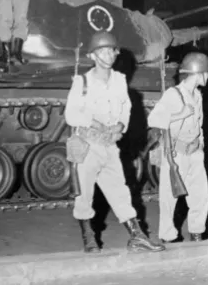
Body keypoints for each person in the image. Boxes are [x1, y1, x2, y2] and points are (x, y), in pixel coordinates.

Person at [64, 31, 165, 254]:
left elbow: (126, 108)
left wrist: (121, 125)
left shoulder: (119, 80)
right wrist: (93, 122)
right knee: (84, 195)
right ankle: (89, 237)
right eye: (102, 51)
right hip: (88, 145)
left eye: (111, 50)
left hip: (110, 146)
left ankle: (137, 236)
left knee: (120, 192)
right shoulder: (82, 82)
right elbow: (70, 114)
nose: (108, 55)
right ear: (92, 56)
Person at [147, 51, 208, 243]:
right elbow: (153, 119)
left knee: (200, 196)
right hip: (176, 154)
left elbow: (199, 124)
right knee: (169, 198)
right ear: (197, 73)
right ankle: (167, 236)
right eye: (206, 72)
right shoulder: (173, 94)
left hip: (195, 152)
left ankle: (197, 232)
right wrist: (180, 114)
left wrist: (200, 145)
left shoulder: (197, 95)